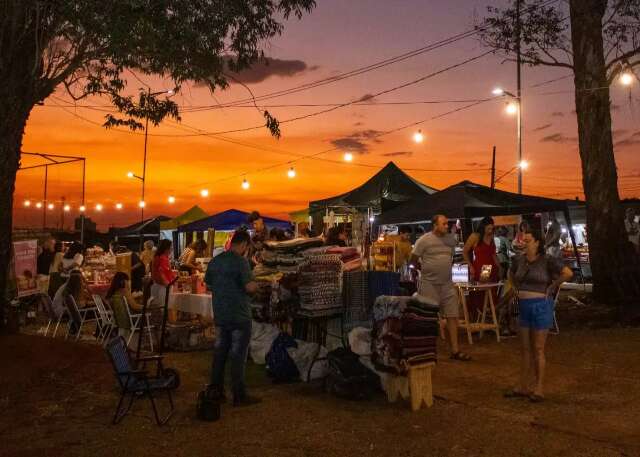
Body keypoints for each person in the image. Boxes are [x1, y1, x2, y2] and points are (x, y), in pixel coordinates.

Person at [505, 228, 573, 402]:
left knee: (538, 348)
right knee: (525, 348)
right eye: (523, 241)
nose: (523, 244)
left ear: (537, 243)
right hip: (521, 304)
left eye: (527, 241)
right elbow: (510, 273)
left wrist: (553, 285)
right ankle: (523, 384)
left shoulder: (547, 260)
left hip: (540, 305)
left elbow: (568, 273)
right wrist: (514, 287)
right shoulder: (518, 260)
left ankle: (539, 387)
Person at [205, 230, 260, 406]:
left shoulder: (215, 261)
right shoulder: (241, 263)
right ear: (244, 244)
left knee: (220, 354)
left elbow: (209, 284)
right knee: (238, 356)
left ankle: (216, 391)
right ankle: (239, 395)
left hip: (221, 314)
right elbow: (250, 287)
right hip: (239, 315)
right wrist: (258, 285)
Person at [410, 214, 471, 361]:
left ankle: (455, 350)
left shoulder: (450, 240)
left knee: (452, 315)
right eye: (443, 224)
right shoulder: (424, 240)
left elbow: (452, 256)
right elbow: (413, 258)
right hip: (429, 284)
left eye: (447, 224)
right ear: (435, 225)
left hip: (447, 284)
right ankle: (426, 349)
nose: (446, 226)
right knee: (427, 317)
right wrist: (420, 268)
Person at [463, 217, 501, 315]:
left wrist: (500, 267)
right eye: (488, 228)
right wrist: (470, 266)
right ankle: (480, 317)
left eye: (492, 229)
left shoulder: (491, 237)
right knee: (482, 295)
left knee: (491, 296)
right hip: (483, 268)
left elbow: (493, 254)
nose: (490, 231)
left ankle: (488, 319)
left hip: (492, 267)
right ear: (483, 226)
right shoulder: (475, 236)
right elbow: (465, 252)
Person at [150, 239, 176, 307]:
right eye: (171, 247)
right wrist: (167, 284)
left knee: (162, 306)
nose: (172, 248)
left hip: (159, 285)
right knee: (165, 307)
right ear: (166, 248)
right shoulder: (162, 258)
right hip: (163, 287)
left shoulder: (159, 257)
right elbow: (161, 272)